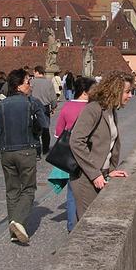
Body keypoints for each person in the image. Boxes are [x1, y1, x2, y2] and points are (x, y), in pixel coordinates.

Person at [0, 69, 49, 245]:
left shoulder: (0, 106)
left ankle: (14, 233)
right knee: (28, 189)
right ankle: (18, 221)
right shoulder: (32, 103)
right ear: (19, 86)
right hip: (26, 151)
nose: (30, 85)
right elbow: (44, 124)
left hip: (6, 153)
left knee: (12, 191)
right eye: (28, 82)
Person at [69, 71, 133, 221]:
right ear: (115, 90)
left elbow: (107, 145)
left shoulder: (111, 110)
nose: (130, 96)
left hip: (100, 175)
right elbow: (76, 141)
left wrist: (109, 170)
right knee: (88, 225)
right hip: (85, 178)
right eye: (127, 92)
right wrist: (95, 173)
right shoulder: (93, 109)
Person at [48, 76, 96, 232]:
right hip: (88, 155)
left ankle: (71, 226)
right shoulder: (92, 109)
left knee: (71, 192)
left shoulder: (67, 107)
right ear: (84, 92)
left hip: (70, 156)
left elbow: (58, 133)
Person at [30, 65, 57, 155]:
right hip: (45, 107)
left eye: (34, 72)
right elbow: (53, 97)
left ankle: (36, 150)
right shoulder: (49, 83)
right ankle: (45, 149)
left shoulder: (31, 82)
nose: (33, 73)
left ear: (37, 72)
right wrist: (53, 107)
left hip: (33, 107)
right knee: (45, 129)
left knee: (34, 129)